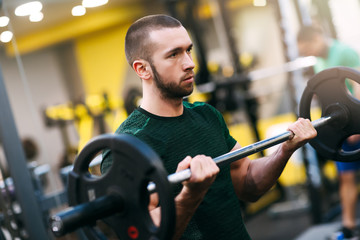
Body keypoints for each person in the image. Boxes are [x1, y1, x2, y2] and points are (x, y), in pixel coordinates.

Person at [101, 14, 317, 240]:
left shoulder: (207, 115)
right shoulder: (128, 146)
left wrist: (285, 150)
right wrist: (191, 194)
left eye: (188, 50)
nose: (189, 63)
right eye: (173, 54)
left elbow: (248, 182)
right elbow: (145, 235)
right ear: (142, 69)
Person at [298, 25, 360, 239]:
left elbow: (358, 83)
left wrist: (358, 124)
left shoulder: (343, 51)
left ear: (317, 38)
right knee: (346, 177)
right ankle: (348, 226)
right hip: (342, 126)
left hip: (356, 124)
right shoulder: (320, 61)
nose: (309, 54)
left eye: (309, 48)